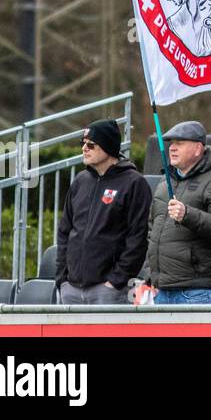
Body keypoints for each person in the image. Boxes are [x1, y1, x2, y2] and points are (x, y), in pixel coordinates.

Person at [56, 120, 151, 305]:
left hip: (109, 290)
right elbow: (64, 232)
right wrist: (62, 278)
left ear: (108, 147)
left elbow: (138, 237)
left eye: (91, 144)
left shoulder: (134, 183)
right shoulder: (80, 181)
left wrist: (116, 280)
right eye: (82, 143)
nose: (84, 148)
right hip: (71, 289)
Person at [142, 121, 211, 305]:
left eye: (180, 143)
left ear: (197, 148)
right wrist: (150, 274)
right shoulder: (165, 183)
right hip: (162, 290)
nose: (172, 148)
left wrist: (188, 215)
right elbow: (152, 232)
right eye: (171, 143)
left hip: (196, 291)